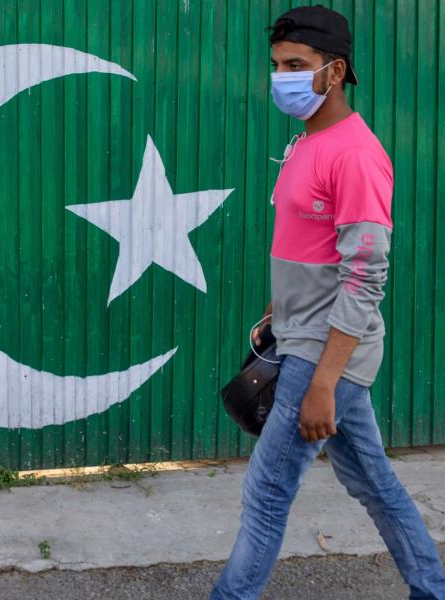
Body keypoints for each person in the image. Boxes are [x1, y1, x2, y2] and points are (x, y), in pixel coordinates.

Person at [210, 5, 445, 599]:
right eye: (276, 64)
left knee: (266, 492)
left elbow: (364, 276)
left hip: (323, 356)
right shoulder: (307, 143)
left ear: (334, 71)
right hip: (302, 340)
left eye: (296, 65)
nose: (280, 76)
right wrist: (275, 313)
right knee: (374, 483)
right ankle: (432, 586)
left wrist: (322, 382)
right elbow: (307, 248)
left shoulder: (356, 155)